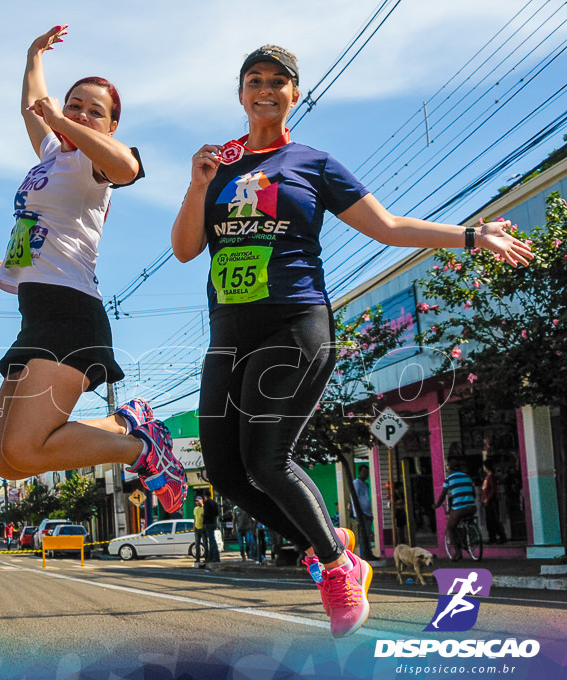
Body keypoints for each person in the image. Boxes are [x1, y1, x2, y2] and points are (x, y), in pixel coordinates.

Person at [170, 45, 532, 638]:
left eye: (278, 82)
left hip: (294, 324)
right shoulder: (218, 166)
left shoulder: (312, 163)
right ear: (240, 95)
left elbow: (386, 228)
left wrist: (472, 235)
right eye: (254, 80)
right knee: (227, 473)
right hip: (228, 336)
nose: (265, 89)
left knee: (268, 458)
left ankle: (336, 566)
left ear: (294, 94)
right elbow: (186, 248)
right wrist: (197, 184)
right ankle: (331, 543)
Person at [0, 26, 187, 513]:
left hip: (71, 314)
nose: (78, 114)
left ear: (110, 126)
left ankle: (140, 446)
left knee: (23, 448)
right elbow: (32, 105)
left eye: (93, 111)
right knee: (4, 461)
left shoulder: (94, 165)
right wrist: (33, 55)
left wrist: (65, 120)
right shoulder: (55, 155)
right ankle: (130, 425)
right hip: (36, 314)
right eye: (74, 104)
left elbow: (128, 168)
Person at [434, 459, 478, 560]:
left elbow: (443, 495)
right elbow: (473, 494)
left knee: (450, 528)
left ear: (449, 468)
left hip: (459, 509)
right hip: (472, 507)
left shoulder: (449, 479)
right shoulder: (467, 477)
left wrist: (437, 505)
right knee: (464, 521)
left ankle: (458, 553)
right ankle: (469, 537)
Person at [351, 465, 376, 559]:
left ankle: (368, 553)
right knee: (363, 535)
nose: (366, 474)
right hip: (362, 514)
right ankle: (363, 555)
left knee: (368, 534)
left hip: (367, 513)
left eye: (367, 472)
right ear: (359, 472)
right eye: (364, 472)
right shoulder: (356, 483)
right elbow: (354, 498)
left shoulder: (365, 484)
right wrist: (357, 513)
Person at [481, 462, 506, 544]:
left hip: (491, 502)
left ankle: (501, 536)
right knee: (490, 521)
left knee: (494, 520)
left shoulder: (491, 477)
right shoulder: (487, 477)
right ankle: (492, 537)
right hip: (488, 501)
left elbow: (492, 490)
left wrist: (487, 499)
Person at [204, 494, 221, 563]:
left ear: (205, 496)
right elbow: (217, 513)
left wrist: (204, 522)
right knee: (212, 540)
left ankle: (214, 557)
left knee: (211, 540)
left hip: (209, 523)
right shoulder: (215, 503)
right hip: (214, 522)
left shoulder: (206, 503)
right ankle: (212, 557)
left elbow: (206, 513)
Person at [194, 496, 207, 565]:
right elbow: (195, 518)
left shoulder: (204, 508)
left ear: (201, 500)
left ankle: (206, 558)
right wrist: (194, 526)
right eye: (196, 501)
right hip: (197, 528)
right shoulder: (195, 509)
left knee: (205, 544)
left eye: (198, 501)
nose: (197, 502)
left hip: (203, 528)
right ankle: (197, 559)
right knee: (197, 544)